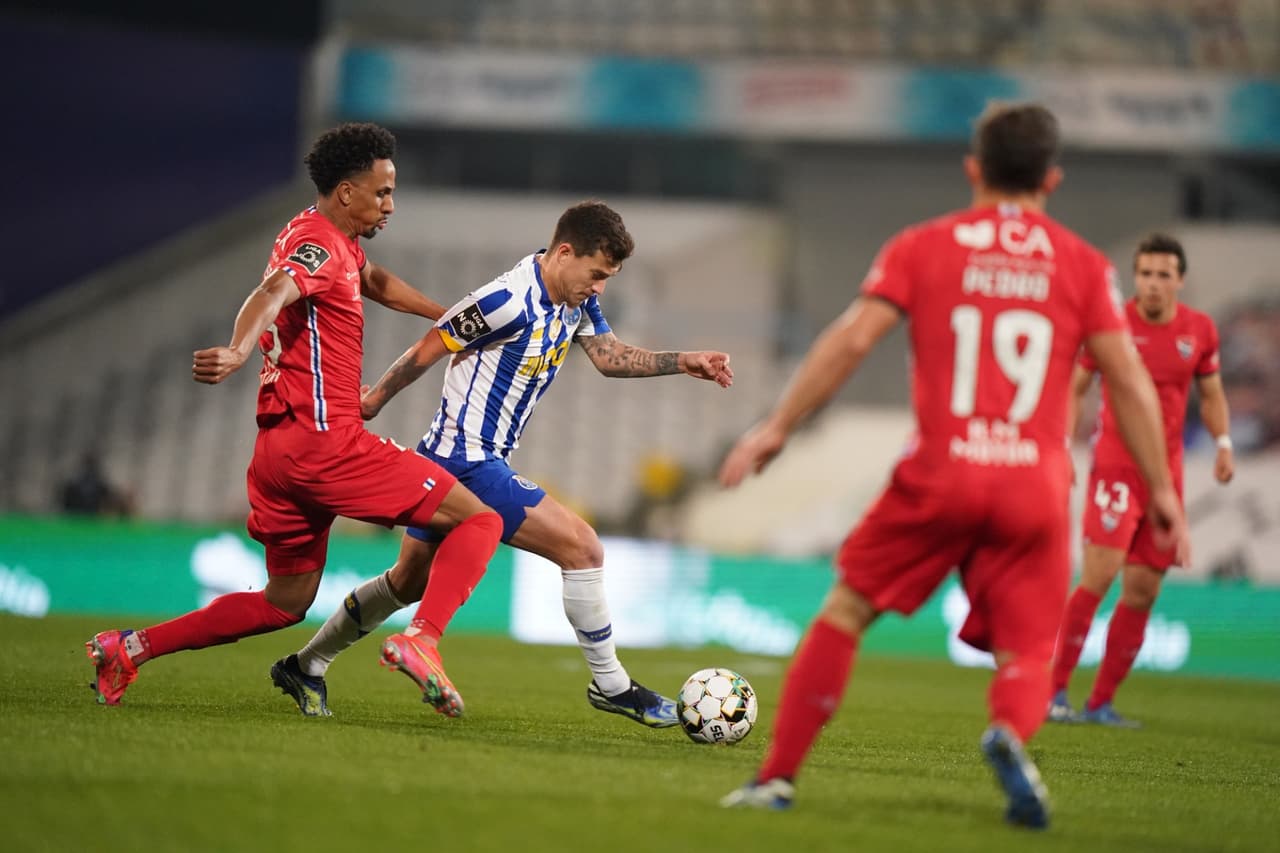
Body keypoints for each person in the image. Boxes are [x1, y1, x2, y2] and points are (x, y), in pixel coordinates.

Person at [715, 102, 1189, 829]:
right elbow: (1126, 380)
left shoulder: (923, 246)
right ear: (1052, 179)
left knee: (846, 610)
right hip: (1034, 481)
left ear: (973, 169)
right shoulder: (1085, 266)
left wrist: (779, 425)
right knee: (1028, 649)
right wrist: (1162, 488)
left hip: (941, 470)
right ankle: (1007, 732)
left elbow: (851, 338)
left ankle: (776, 777)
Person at [86, 123, 503, 716]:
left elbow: (370, 279)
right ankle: (423, 640)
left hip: (278, 455)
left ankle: (127, 649)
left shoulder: (323, 236)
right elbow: (273, 292)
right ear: (345, 192)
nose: (391, 204)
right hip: (328, 447)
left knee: (285, 601)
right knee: (479, 520)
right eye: (381, 192)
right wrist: (237, 347)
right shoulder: (319, 246)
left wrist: (451, 318)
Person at [271, 200, 734, 728]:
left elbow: (608, 357)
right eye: (597, 273)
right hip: (464, 459)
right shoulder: (504, 300)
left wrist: (683, 361)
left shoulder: (576, 302)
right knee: (583, 548)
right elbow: (433, 342)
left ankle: (305, 665)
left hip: (464, 459)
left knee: (405, 582)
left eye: (608, 277)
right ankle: (612, 685)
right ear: (564, 253)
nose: (600, 286)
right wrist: (374, 399)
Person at [1048, 233, 1233, 727]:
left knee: (1143, 589)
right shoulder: (1111, 325)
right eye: (1145, 274)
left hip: (1165, 477)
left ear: (1180, 280)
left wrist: (1222, 443)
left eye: (1162, 275)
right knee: (1100, 573)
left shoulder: (1199, 331)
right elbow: (1076, 385)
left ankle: (1099, 703)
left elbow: (1211, 395)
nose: (1152, 285)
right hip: (1114, 465)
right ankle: (1053, 693)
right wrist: (1064, 448)